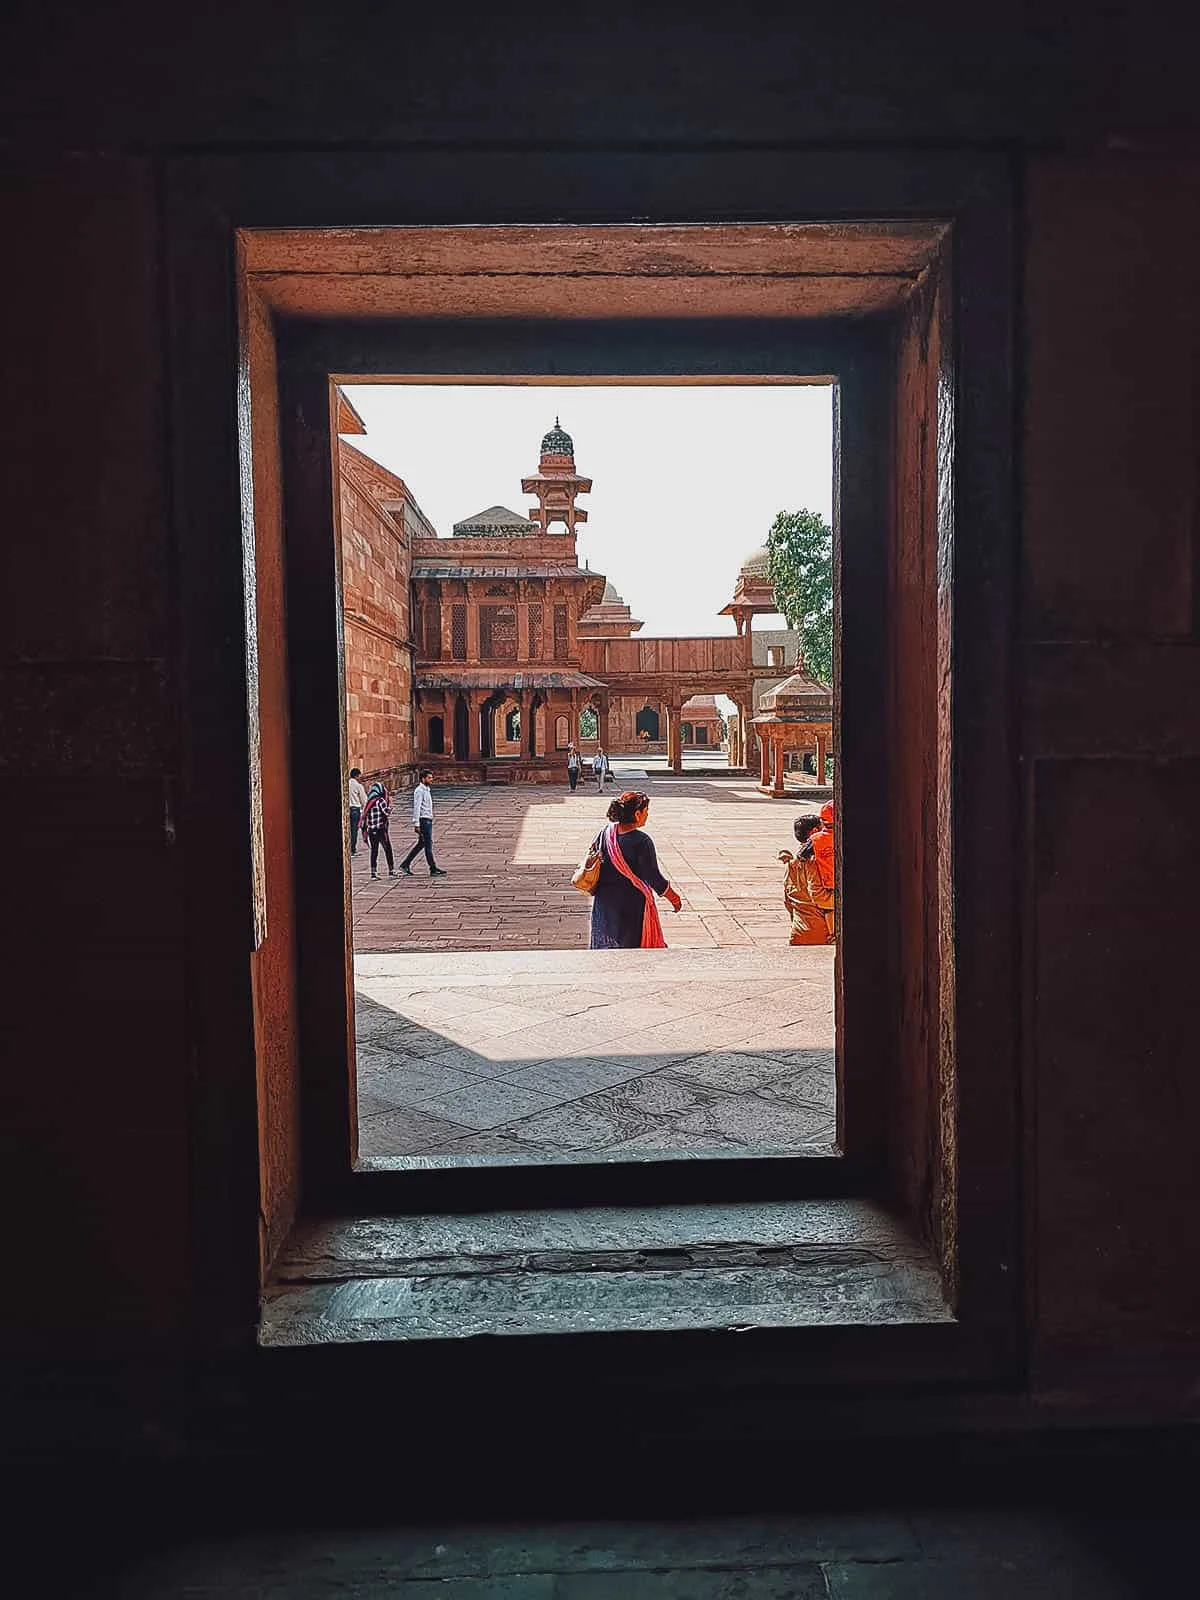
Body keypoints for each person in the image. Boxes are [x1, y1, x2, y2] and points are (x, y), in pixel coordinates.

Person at [588, 789, 682, 949]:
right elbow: (654, 878)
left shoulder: (605, 833)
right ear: (637, 814)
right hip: (631, 905)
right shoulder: (642, 841)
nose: (647, 815)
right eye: (646, 811)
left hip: (604, 902)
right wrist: (674, 898)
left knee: (606, 950)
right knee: (630, 952)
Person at [779, 813, 835, 944]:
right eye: (824, 828)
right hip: (820, 935)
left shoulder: (793, 863)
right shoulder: (814, 861)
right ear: (815, 832)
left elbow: (788, 901)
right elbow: (820, 898)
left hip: (799, 932)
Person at [400, 767, 447, 877]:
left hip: (427, 819)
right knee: (428, 844)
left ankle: (405, 864)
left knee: (421, 844)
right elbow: (417, 807)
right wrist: (416, 823)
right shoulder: (419, 791)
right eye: (429, 778)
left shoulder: (426, 790)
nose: (431, 780)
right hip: (423, 820)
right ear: (423, 779)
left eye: (431, 778)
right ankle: (432, 868)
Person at [360, 782, 395, 879]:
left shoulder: (369, 801)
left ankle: (373, 873)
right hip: (380, 830)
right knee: (388, 849)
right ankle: (391, 870)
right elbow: (386, 812)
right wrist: (391, 805)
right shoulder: (380, 801)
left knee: (374, 851)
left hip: (371, 830)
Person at [347, 766, 367, 855]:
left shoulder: (345, 783)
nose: (360, 778)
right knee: (354, 830)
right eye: (359, 776)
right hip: (355, 810)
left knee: (348, 830)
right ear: (356, 776)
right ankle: (352, 850)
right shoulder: (358, 786)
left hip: (347, 810)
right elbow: (364, 800)